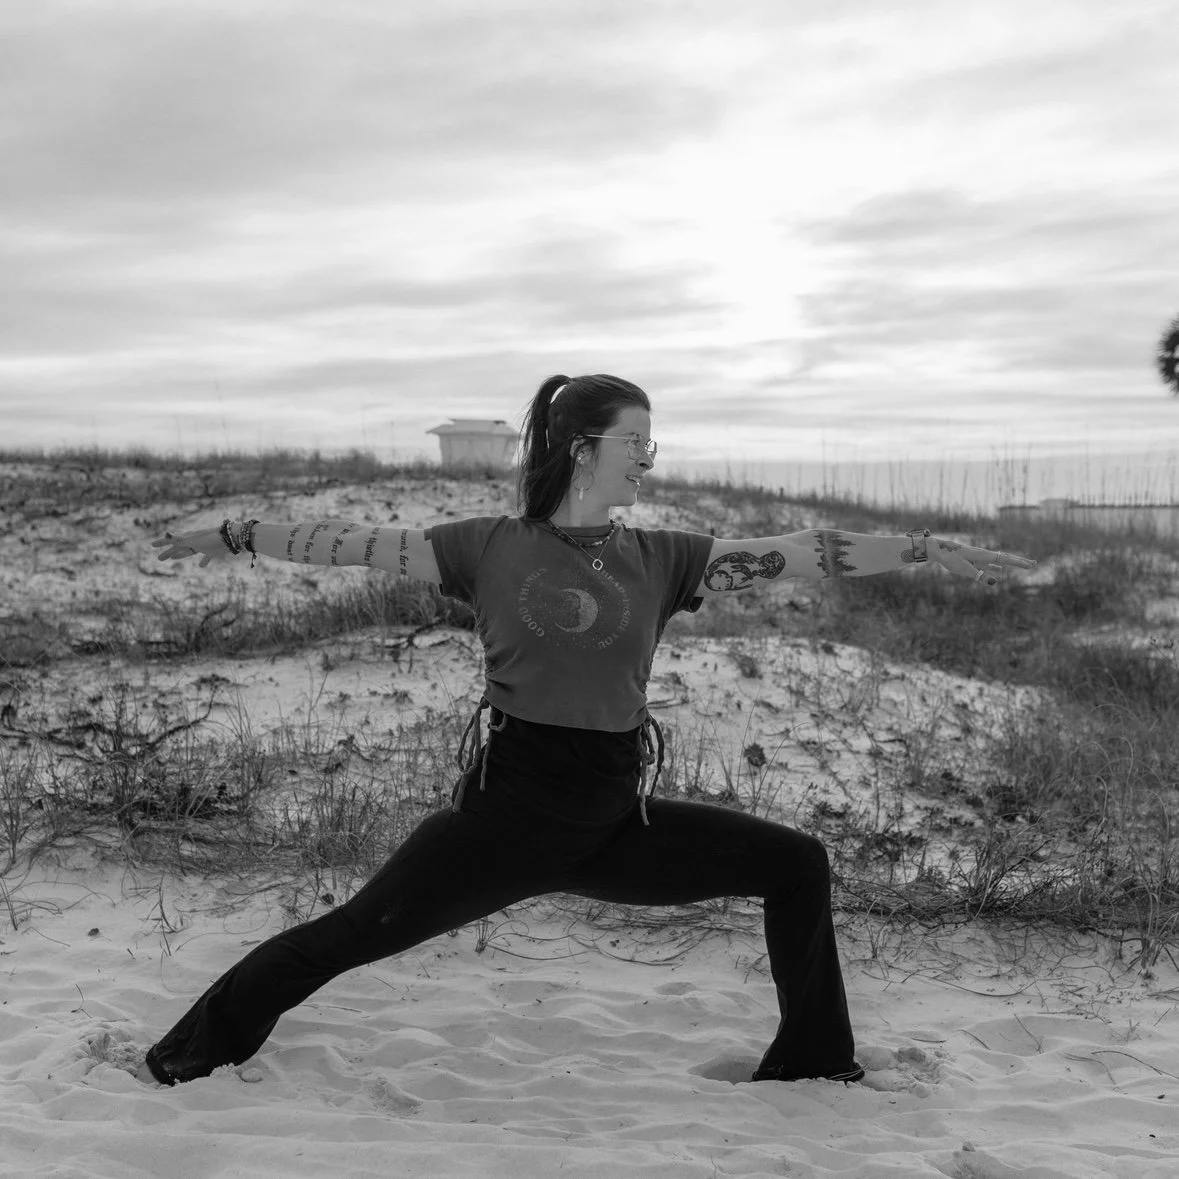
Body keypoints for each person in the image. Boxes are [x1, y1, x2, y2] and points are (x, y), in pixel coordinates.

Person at [144, 373, 1034, 1088]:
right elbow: (355, 541)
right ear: (583, 448)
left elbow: (800, 551)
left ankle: (812, 1060)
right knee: (343, 937)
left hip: (612, 817)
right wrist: (236, 530)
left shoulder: (662, 556)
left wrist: (918, 546)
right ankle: (188, 1052)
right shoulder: (486, 545)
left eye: (652, 443)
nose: (648, 458)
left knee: (795, 863)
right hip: (507, 818)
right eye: (634, 441)